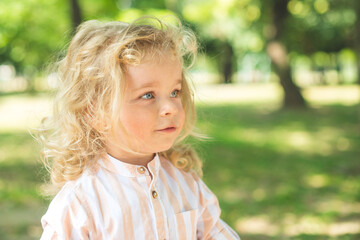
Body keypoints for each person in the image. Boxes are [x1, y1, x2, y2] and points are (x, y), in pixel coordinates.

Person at [39, 16, 240, 240]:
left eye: (174, 92)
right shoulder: (80, 204)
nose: (170, 108)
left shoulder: (185, 184)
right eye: (147, 95)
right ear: (94, 113)